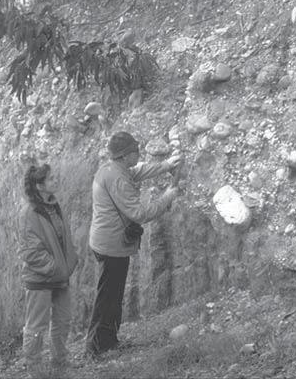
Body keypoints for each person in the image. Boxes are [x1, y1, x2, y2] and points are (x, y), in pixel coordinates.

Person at [85, 131, 181, 357]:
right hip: (111, 246)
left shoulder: (112, 169)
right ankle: (96, 348)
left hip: (107, 243)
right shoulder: (117, 177)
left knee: (111, 295)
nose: (139, 152)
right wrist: (168, 196)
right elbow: (139, 213)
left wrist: (166, 165)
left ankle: (107, 342)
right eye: (136, 150)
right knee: (108, 297)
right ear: (125, 155)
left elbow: (136, 172)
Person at [19, 163, 78, 373]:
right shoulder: (29, 212)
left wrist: (70, 261)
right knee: (36, 327)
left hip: (60, 276)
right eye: (51, 178)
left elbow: (63, 239)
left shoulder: (54, 206)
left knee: (63, 321)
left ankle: (60, 363)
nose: (56, 180)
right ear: (39, 185)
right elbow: (30, 251)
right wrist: (56, 268)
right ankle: (34, 369)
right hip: (40, 279)